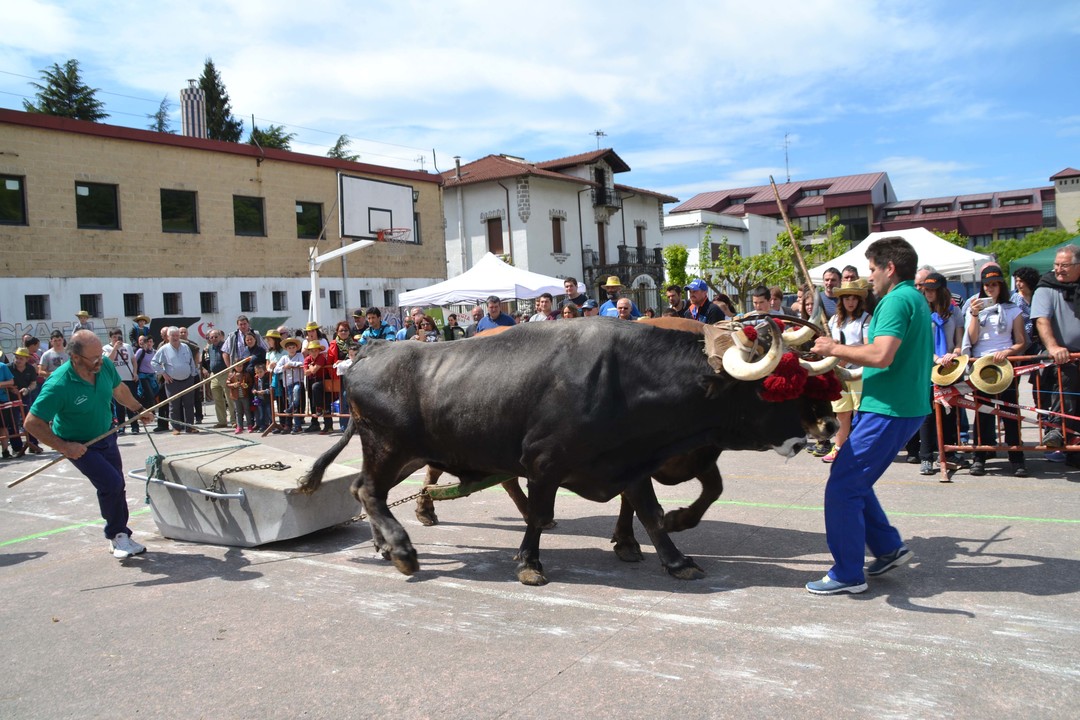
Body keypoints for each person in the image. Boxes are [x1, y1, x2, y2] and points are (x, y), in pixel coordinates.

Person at [806, 236, 930, 594]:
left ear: (890, 268)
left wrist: (834, 347)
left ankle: (847, 574)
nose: (869, 276)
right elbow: (884, 353)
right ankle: (888, 548)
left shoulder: (895, 301)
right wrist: (845, 354)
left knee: (842, 487)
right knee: (852, 478)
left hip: (889, 409)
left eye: (873, 269)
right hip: (897, 406)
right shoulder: (913, 297)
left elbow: (881, 355)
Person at [24, 330, 155, 559]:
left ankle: (120, 535)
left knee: (117, 485)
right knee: (111, 484)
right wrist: (65, 447)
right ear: (75, 357)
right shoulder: (59, 384)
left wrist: (138, 409)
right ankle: (117, 535)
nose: (99, 361)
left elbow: (119, 389)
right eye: (93, 358)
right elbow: (32, 423)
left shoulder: (104, 365)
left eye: (100, 356)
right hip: (80, 445)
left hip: (107, 435)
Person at [961, 264, 1027, 477]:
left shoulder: (1013, 309)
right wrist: (974, 314)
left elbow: (1021, 342)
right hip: (981, 365)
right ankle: (979, 457)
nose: (990, 288)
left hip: (1004, 365)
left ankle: (1017, 459)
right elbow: (971, 340)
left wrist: (1007, 352)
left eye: (994, 284)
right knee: (983, 413)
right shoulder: (974, 308)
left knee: (1010, 413)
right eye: (986, 285)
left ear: (1001, 286)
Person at [1031, 246, 1080, 467]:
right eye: (1056, 264)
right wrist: (1053, 347)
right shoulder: (1046, 287)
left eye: (1064, 265)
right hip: (1060, 356)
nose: (1059, 269)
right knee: (1065, 375)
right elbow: (1042, 320)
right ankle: (1058, 428)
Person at [917, 273, 965, 476]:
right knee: (928, 413)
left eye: (932, 289)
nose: (928, 293)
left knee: (949, 410)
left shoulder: (954, 311)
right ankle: (926, 457)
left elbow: (960, 340)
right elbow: (920, 342)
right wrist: (936, 358)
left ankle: (949, 452)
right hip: (929, 366)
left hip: (950, 366)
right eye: (926, 289)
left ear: (942, 290)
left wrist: (954, 353)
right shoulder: (921, 312)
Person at [821, 280, 871, 464]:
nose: (851, 302)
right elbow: (830, 345)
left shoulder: (866, 319)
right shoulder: (834, 320)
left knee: (861, 413)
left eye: (854, 298)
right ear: (841, 300)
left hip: (858, 372)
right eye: (847, 298)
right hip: (838, 372)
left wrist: (844, 354)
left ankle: (861, 450)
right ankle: (839, 448)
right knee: (841, 413)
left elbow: (867, 346)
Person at [151, 327, 200, 436]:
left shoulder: (185, 347)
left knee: (189, 404)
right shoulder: (164, 349)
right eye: (173, 335)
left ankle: (190, 427)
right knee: (174, 406)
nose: (175, 338)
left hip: (188, 380)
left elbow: (191, 361)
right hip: (172, 382)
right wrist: (163, 373)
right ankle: (176, 428)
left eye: (177, 335)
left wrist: (193, 374)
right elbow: (154, 362)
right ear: (168, 337)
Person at [103, 328, 139, 435]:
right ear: (110, 338)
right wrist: (115, 348)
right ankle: (121, 426)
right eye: (114, 337)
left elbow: (133, 360)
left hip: (129, 378)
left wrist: (135, 372)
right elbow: (108, 361)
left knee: (131, 403)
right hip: (116, 380)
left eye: (118, 337)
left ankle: (134, 426)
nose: (116, 339)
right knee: (119, 405)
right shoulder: (106, 348)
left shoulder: (127, 346)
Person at [274, 337, 306, 433]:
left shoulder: (299, 355)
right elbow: (276, 369)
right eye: (289, 348)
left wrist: (291, 364)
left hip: (298, 381)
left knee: (296, 392)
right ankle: (297, 426)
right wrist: (284, 367)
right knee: (294, 404)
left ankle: (290, 409)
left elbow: (302, 363)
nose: (292, 349)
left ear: (296, 348)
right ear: (286, 349)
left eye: (293, 347)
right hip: (287, 383)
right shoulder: (284, 358)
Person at [204, 329, 231, 428]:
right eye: (211, 337)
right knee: (217, 399)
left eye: (216, 336)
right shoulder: (209, 347)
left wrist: (230, 372)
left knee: (229, 398)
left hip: (225, 373)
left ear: (220, 336)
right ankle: (222, 421)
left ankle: (234, 420)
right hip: (214, 375)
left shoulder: (225, 345)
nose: (214, 339)